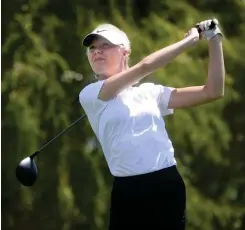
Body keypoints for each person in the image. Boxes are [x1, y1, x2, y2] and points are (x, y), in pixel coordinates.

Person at [79, 19, 225, 229]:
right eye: (92, 48)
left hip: (166, 185)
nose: (97, 51)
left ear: (125, 52)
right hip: (126, 190)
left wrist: (213, 37)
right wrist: (188, 41)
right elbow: (146, 66)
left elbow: (213, 91)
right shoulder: (90, 94)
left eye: (105, 45)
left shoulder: (150, 92)